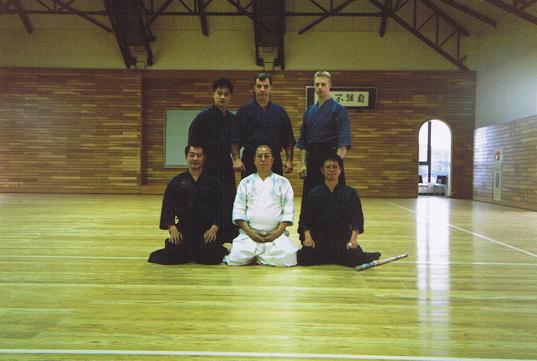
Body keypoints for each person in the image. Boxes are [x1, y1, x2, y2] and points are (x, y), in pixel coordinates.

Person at [148, 145, 228, 265]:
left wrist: (214, 228)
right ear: (186, 157)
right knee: (171, 256)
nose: (195, 158)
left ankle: (202, 251)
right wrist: (173, 228)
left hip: (206, 230)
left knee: (209, 258)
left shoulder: (214, 182)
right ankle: (190, 251)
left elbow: (222, 208)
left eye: (199, 155)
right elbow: (167, 206)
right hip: (184, 229)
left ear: (204, 158)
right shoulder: (176, 182)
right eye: (192, 155)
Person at [297, 155, 381, 267]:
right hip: (320, 241)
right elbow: (305, 219)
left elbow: (357, 219)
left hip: (342, 241)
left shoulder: (350, 193)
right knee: (303, 258)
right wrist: (308, 238)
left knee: (355, 257)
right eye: (328, 167)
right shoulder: (314, 193)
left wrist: (353, 240)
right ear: (322, 170)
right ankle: (334, 258)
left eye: (334, 167)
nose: (331, 169)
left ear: (340, 170)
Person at [297, 71, 352, 237]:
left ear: (330, 85)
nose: (320, 88)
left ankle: (336, 237)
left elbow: (343, 144)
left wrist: (334, 167)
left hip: (331, 159)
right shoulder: (309, 112)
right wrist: (302, 163)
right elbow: (303, 143)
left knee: (333, 200)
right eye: (317, 84)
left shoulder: (339, 110)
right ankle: (308, 237)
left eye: (323, 84)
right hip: (313, 161)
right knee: (310, 200)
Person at [224, 145, 298, 267]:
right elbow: (239, 210)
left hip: (276, 236)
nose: (263, 159)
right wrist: (250, 233)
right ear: (254, 160)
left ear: (273, 160)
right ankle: (263, 256)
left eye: (267, 156)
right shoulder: (245, 183)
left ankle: (257, 256)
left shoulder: (283, 182)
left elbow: (288, 211)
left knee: (289, 257)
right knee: (235, 257)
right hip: (249, 235)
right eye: (259, 156)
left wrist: (276, 233)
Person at [188, 78, 237, 241]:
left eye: (226, 94)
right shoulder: (202, 118)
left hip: (225, 165)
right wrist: (196, 167)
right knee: (209, 199)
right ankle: (207, 232)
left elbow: (234, 144)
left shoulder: (231, 119)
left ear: (230, 97)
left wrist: (237, 159)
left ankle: (227, 233)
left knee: (228, 197)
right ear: (213, 95)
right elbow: (193, 145)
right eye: (219, 93)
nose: (222, 97)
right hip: (207, 166)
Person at [231, 72, 296, 178]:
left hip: (274, 161)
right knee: (250, 194)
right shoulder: (244, 111)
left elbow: (289, 140)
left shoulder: (280, 112)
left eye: (266, 86)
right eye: (259, 86)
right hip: (250, 160)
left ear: (271, 88)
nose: (262, 89)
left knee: (274, 194)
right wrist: (236, 159)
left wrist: (289, 160)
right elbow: (235, 139)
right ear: (254, 88)